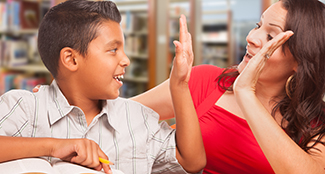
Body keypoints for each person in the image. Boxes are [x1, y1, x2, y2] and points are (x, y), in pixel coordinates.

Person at [0, 0, 206, 174]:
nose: (125, 60)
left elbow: (192, 161)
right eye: (113, 49)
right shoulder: (26, 107)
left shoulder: (138, 119)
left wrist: (179, 85)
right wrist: (55, 146)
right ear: (71, 59)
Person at [127, 0, 325, 173]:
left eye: (271, 37)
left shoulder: (317, 123)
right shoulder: (204, 80)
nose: (252, 37)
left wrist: (246, 92)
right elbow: (115, 115)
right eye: (258, 25)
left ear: (300, 61)